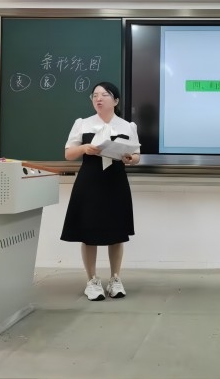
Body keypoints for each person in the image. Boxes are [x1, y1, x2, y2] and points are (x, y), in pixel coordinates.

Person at [61, 81, 140, 301]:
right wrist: (84, 148)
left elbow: (136, 155)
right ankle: (92, 280)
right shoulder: (82, 123)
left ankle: (115, 279)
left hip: (115, 180)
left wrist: (130, 158)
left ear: (115, 100)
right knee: (89, 232)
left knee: (116, 232)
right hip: (90, 180)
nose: (98, 99)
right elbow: (68, 154)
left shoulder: (127, 126)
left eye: (104, 95)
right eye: (95, 95)